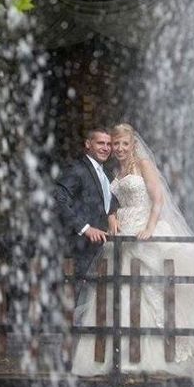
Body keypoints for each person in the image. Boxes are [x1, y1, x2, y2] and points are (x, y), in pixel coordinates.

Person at [71, 123, 194, 377]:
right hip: (123, 233)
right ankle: (120, 353)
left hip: (144, 228)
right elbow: (113, 204)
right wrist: (112, 220)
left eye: (123, 144)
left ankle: (162, 349)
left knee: (156, 286)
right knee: (121, 288)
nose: (118, 148)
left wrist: (150, 227)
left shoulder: (143, 165)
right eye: (115, 143)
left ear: (133, 144)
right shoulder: (115, 171)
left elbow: (158, 198)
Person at [54, 127, 119, 298]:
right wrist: (85, 228)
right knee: (74, 303)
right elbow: (57, 200)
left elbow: (106, 203)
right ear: (88, 144)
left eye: (108, 144)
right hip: (78, 248)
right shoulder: (77, 169)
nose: (106, 148)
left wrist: (112, 214)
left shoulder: (106, 174)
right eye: (101, 143)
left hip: (99, 251)